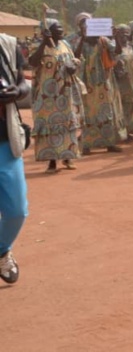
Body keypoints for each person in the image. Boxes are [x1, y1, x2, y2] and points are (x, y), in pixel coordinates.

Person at [29, 19, 82, 173]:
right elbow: (32, 62)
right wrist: (44, 42)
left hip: (65, 92)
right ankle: (52, 161)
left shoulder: (65, 44)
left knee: (67, 124)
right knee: (49, 125)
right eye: (56, 28)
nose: (60, 30)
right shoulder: (38, 46)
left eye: (60, 27)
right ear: (47, 31)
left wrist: (74, 65)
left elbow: (74, 59)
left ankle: (68, 157)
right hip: (47, 95)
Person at [0, 30, 31, 284]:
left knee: (17, 210)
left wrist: (17, 92)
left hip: (4, 140)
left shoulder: (8, 45)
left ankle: (1, 251)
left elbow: (23, 82)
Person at [72, 13, 126, 155]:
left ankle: (109, 143)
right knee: (88, 113)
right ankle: (87, 145)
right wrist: (83, 39)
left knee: (106, 112)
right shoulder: (78, 41)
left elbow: (118, 51)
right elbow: (75, 56)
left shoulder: (103, 40)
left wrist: (116, 37)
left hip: (103, 81)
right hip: (87, 82)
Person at [112, 24, 133, 142]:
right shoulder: (115, 49)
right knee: (124, 107)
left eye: (126, 33)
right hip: (122, 82)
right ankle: (122, 133)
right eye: (121, 34)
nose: (124, 36)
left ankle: (132, 131)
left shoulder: (132, 47)